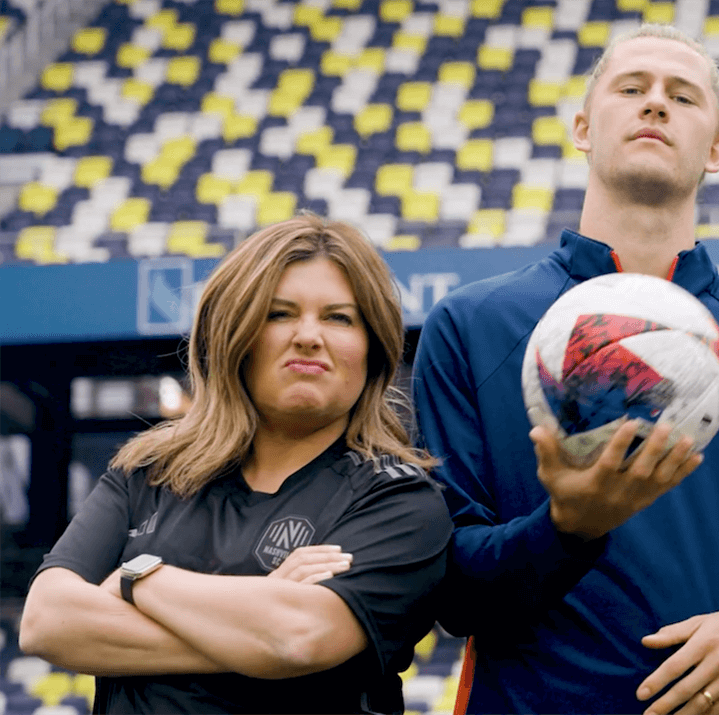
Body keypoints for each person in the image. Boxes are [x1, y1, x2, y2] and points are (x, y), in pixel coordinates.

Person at [412, 23, 719, 715]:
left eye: (682, 95)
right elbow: (449, 590)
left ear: (716, 149)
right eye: (632, 88)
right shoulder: (472, 325)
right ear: (584, 127)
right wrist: (565, 528)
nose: (655, 104)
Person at [20, 215, 452, 715]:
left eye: (339, 318)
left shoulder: (400, 501)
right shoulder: (148, 473)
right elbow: (47, 620)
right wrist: (256, 615)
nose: (309, 336)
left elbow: (297, 637)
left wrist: (134, 579)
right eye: (279, 313)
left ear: (372, 350)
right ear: (235, 336)